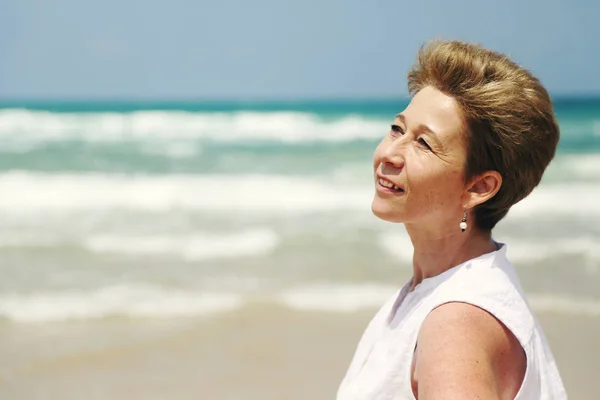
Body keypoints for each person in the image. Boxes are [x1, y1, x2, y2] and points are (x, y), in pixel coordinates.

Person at [336, 40, 567, 399]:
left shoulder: (457, 324)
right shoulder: (437, 288)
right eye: (398, 129)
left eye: (424, 144)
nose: (390, 154)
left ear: (478, 187)